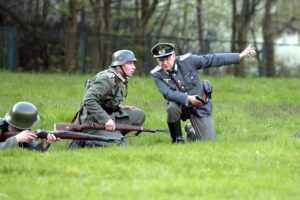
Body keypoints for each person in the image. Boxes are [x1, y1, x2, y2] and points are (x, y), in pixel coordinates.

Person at [150, 42, 256, 143]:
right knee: (172, 107)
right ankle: (177, 139)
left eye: (167, 58)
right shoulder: (156, 74)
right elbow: (168, 94)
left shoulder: (188, 60)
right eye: (161, 60)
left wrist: (239, 56)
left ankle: (191, 129)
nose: (164, 63)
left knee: (208, 141)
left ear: (174, 55)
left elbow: (211, 59)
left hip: (199, 104)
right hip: (180, 105)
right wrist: (188, 98)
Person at [70, 49, 145, 148]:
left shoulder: (118, 78)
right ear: (119, 65)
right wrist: (106, 120)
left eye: (133, 63)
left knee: (139, 115)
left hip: (107, 116)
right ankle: (90, 140)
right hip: (93, 122)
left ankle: (110, 135)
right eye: (130, 63)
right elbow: (88, 100)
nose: (134, 67)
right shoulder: (107, 78)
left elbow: (106, 101)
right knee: (123, 145)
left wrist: (119, 107)